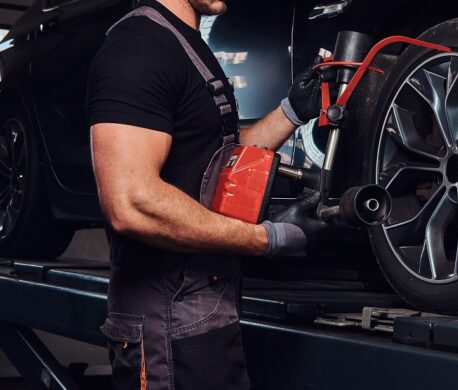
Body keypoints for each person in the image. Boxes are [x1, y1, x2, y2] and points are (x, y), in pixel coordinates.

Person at [88, 0, 324, 388]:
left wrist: (291, 113)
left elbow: (214, 157)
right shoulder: (139, 47)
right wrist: (267, 239)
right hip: (164, 322)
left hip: (204, 313)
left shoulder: (187, 44)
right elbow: (130, 202)